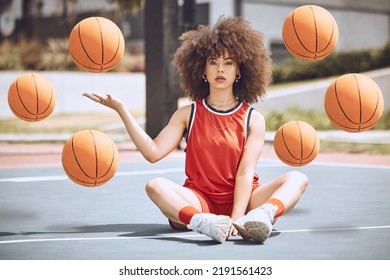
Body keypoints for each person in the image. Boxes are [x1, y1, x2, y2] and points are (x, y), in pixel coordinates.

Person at [84, 16, 308, 244]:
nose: (220, 69)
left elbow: (245, 173)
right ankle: (202, 223)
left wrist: (237, 216)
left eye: (228, 62)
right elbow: (152, 152)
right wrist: (121, 110)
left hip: (246, 200)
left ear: (239, 70)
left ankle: (264, 215)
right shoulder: (186, 114)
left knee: (297, 178)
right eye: (213, 61)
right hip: (200, 200)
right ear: (202, 69)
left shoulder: (253, 119)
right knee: (155, 186)